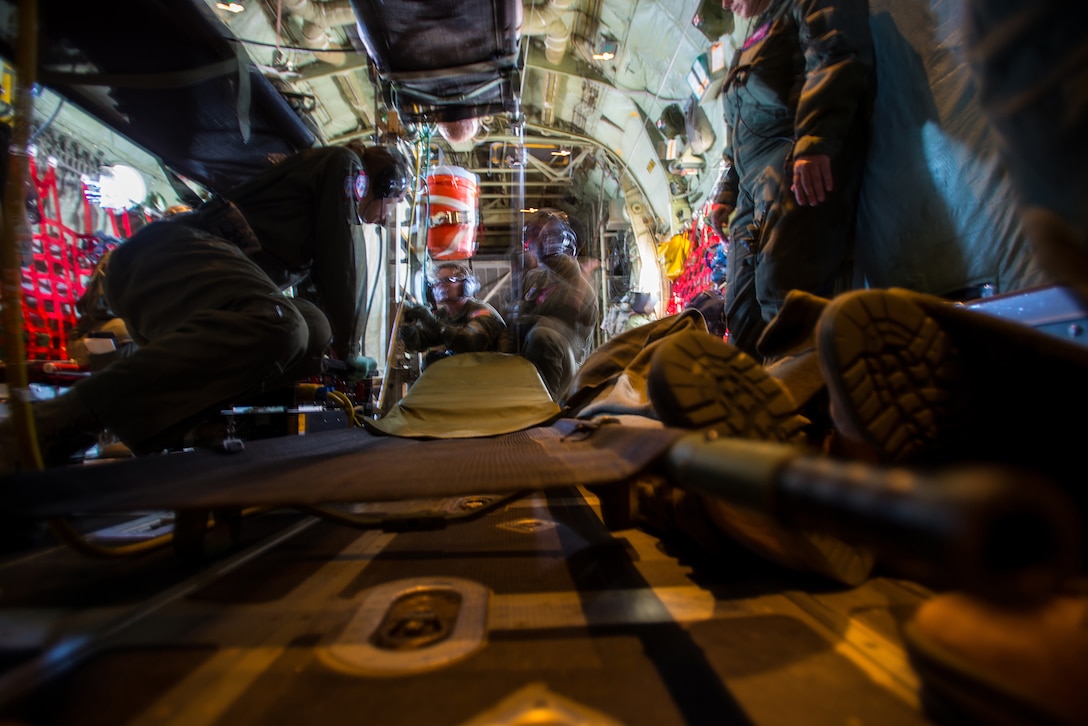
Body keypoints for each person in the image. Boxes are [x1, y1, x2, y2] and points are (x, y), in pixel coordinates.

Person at [1, 143, 412, 472]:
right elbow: (342, 259)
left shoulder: (313, 205)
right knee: (283, 325)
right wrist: (351, 346)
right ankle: (49, 425)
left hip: (186, 279)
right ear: (385, 184)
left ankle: (198, 422)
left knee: (312, 329)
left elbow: (321, 285)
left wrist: (334, 347)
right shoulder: (344, 167)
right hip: (168, 256)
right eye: (391, 205)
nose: (382, 218)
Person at [707, 0, 875, 359]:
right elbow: (736, 129)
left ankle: (803, 385)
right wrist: (726, 191)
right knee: (740, 311)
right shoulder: (755, 35)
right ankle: (754, 389)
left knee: (781, 289)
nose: (724, 4)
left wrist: (814, 140)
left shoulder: (804, 5)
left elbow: (832, 56)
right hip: (751, 186)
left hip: (791, 160)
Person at [512, 208, 599, 400]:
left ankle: (547, 409)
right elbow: (514, 323)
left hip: (565, 381)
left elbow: (544, 329)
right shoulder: (535, 279)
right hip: (531, 369)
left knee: (543, 335)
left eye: (548, 234)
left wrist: (520, 317)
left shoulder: (579, 288)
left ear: (565, 241)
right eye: (533, 234)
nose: (537, 242)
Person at [399, 262, 509, 368]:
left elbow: (469, 344)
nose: (440, 286)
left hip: (491, 371)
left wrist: (431, 322)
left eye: (447, 280)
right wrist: (407, 324)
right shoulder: (442, 315)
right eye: (437, 282)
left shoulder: (481, 311)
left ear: (467, 285)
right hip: (468, 371)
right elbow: (419, 343)